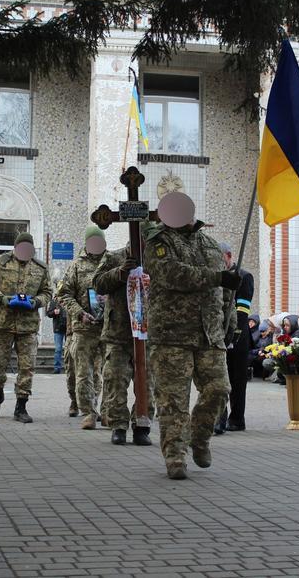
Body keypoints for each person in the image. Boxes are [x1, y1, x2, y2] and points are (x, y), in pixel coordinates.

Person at [142, 196, 240, 480]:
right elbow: (172, 274)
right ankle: (175, 456)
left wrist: (229, 321)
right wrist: (218, 278)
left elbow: (223, 292)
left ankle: (199, 437)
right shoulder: (158, 241)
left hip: (209, 335)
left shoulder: (209, 244)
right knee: (173, 401)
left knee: (220, 390)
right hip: (172, 336)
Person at [0, 232, 52, 423]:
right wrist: (2, 298)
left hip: (27, 326)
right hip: (1, 323)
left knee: (27, 367)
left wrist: (36, 302)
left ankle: (21, 406)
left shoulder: (40, 268)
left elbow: (47, 293)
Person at [93, 243, 155, 446]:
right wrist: (120, 273)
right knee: (116, 380)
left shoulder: (157, 258)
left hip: (147, 333)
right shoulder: (113, 257)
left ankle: (142, 425)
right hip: (118, 331)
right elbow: (98, 284)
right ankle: (118, 425)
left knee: (146, 382)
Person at [57, 226, 108, 430]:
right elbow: (64, 294)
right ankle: (88, 412)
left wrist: (110, 299)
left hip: (108, 328)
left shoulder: (113, 262)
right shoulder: (76, 265)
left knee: (109, 372)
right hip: (83, 328)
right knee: (83, 373)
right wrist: (79, 312)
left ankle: (107, 411)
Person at [215, 242, 255, 434]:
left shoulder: (244, 277)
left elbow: (242, 310)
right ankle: (219, 418)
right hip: (218, 334)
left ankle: (237, 419)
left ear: (229, 256)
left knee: (237, 380)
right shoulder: (218, 277)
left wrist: (234, 335)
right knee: (218, 378)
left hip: (237, 337)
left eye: (220, 257)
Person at [45, 295, 67, 374]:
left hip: (69, 329)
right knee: (58, 349)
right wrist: (54, 312)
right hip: (58, 329)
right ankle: (57, 368)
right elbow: (48, 313)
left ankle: (70, 368)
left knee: (70, 349)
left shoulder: (69, 298)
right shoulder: (54, 301)